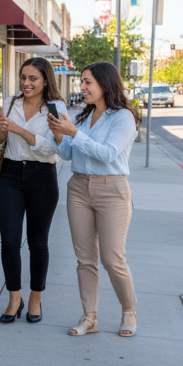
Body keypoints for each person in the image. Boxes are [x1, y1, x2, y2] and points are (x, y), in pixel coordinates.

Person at [49, 61, 139, 338]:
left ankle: (129, 310)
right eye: (82, 82)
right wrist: (58, 133)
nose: (82, 87)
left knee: (112, 258)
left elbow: (108, 153)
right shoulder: (82, 117)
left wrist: (74, 134)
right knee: (85, 259)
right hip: (79, 187)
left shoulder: (122, 117)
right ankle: (90, 317)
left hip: (112, 190)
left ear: (105, 84)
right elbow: (66, 154)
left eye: (88, 82)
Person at [0, 58, 66, 324]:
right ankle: (14, 298)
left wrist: (19, 130)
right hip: (10, 175)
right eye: (23, 77)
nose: (26, 83)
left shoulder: (56, 109)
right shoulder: (11, 102)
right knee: (9, 240)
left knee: (38, 242)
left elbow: (55, 149)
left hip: (41, 177)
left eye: (33, 78)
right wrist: (1, 130)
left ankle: (35, 298)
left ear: (46, 80)